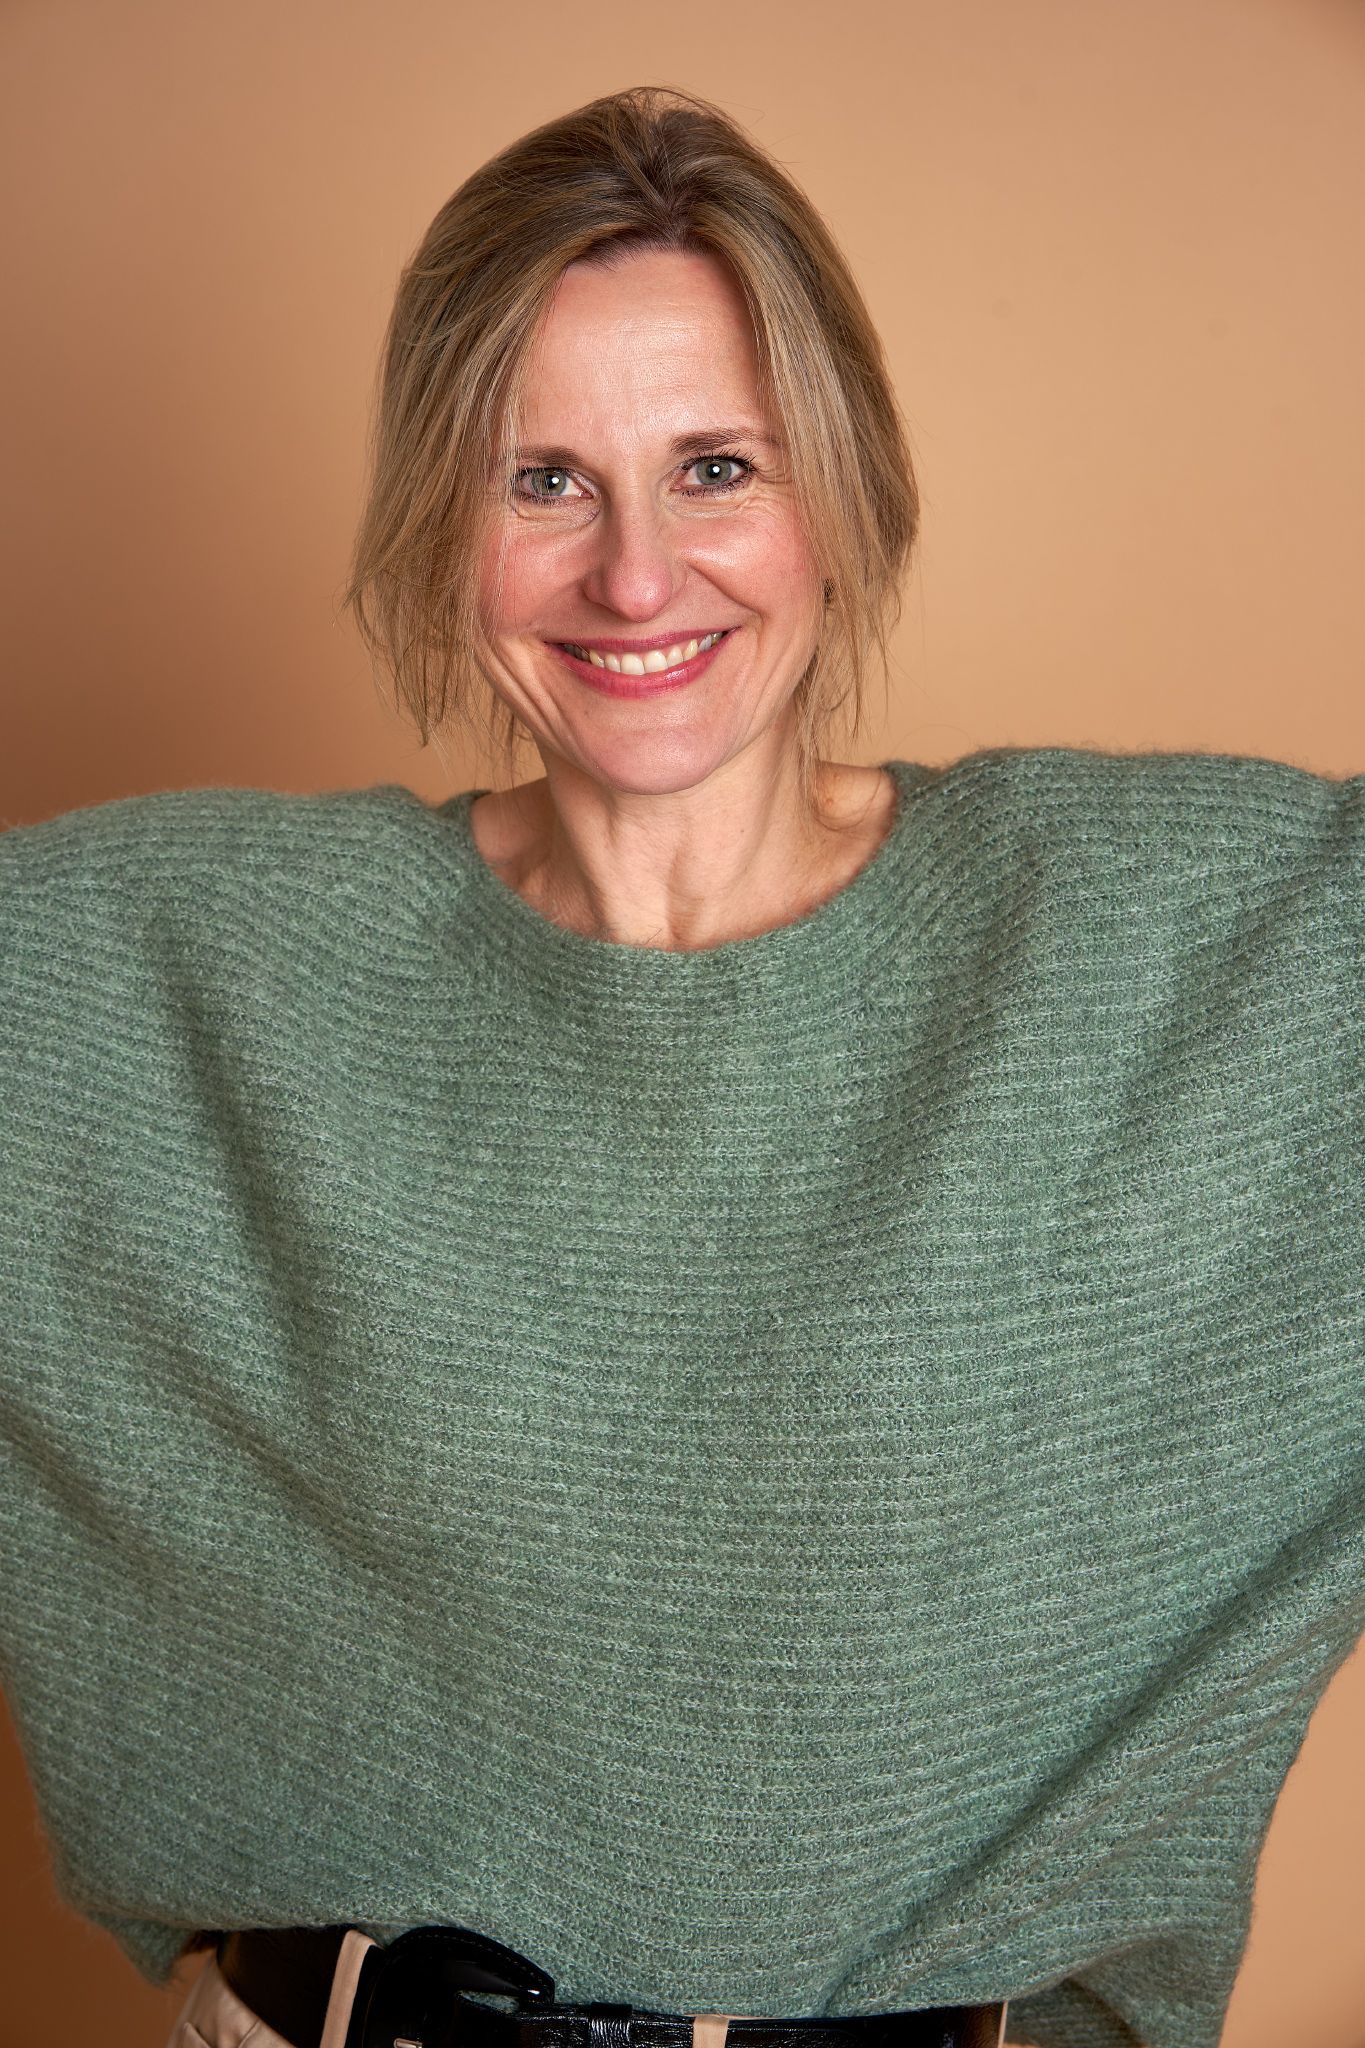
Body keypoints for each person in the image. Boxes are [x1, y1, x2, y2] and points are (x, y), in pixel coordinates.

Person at [0, 82, 1360, 2048]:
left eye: (714, 467)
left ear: (845, 496)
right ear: (440, 530)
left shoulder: (1163, 933)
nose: (633, 577)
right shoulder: (175, 957)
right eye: (541, 480)